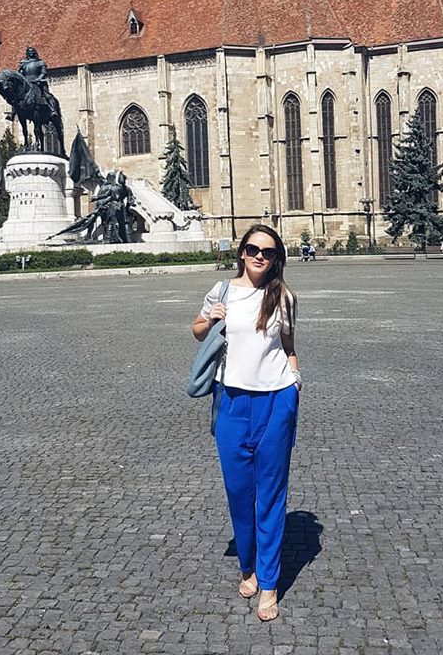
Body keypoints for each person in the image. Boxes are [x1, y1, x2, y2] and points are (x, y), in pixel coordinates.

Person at [191, 224, 301, 622]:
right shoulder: (221, 291)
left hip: (276, 400)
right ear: (242, 252)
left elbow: (288, 345)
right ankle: (248, 564)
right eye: (253, 249)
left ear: (276, 259)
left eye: (268, 252)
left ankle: (268, 583)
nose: (259, 257)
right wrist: (210, 319)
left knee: (270, 494)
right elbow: (196, 330)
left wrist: (295, 380)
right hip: (231, 402)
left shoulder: (283, 296)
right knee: (239, 492)